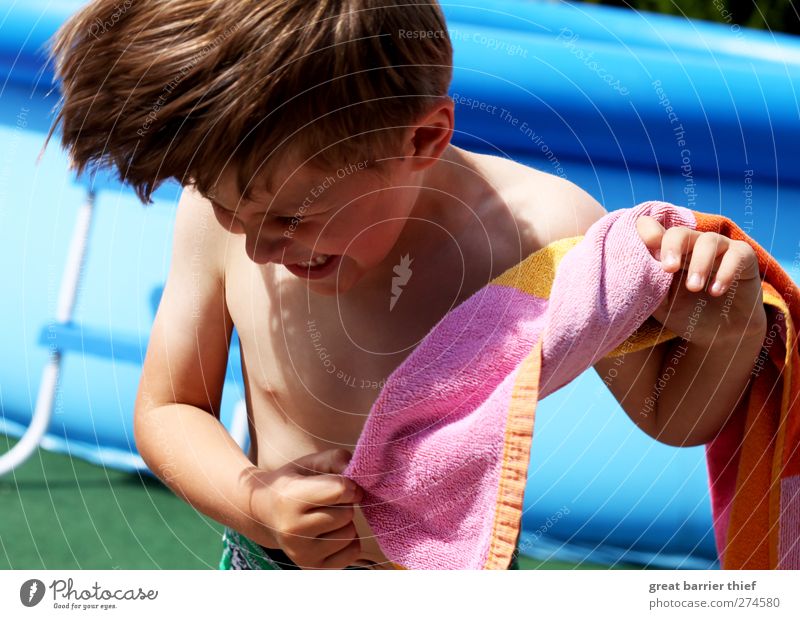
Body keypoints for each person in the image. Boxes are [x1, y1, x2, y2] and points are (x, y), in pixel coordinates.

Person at [43, 0, 766, 570]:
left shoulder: (542, 238)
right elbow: (170, 405)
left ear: (421, 139)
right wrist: (256, 502)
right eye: (233, 209)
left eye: (295, 216)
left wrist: (730, 328)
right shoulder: (218, 213)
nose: (259, 245)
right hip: (269, 567)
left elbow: (674, 414)